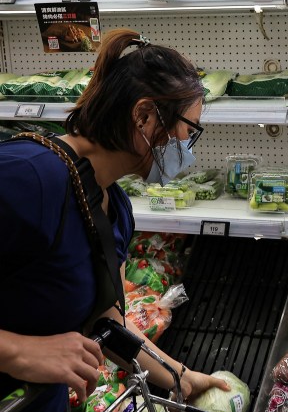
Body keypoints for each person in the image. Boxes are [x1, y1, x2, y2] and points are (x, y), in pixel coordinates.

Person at [0, 28, 230, 411]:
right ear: (143, 116)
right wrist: (19, 352)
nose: (187, 150)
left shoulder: (113, 208)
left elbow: (105, 323)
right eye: (187, 132)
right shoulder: (28, 177)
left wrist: (181, 378)